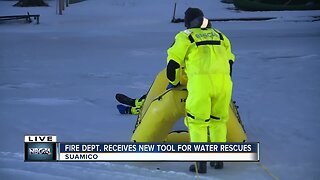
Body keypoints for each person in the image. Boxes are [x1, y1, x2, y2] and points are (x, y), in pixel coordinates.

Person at [166, 7, 235, 173]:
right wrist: (225, 79)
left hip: (200, 85)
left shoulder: (186, 36)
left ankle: (200, 162)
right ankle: (218, 160)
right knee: (218, 121)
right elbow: (230, 61)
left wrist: (174, 82)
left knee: (198, 123)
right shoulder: (219, 35)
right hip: (224, 84)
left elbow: (173, 64)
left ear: (188, 22)